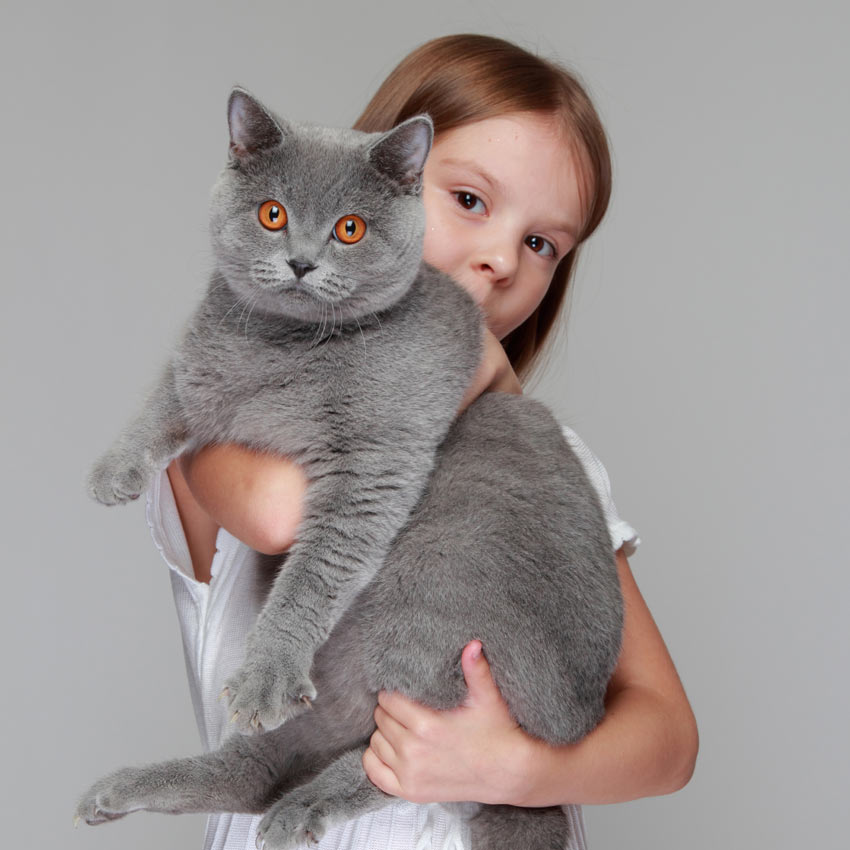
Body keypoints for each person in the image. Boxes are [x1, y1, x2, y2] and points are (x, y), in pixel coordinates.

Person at [149, 33, 698, 850]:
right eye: (471, 201)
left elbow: (668, 739)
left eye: (543, 243)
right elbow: (278, 514)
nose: (501, 259)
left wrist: (516, 772)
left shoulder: (545, 471)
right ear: (378, 190)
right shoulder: (222, 425)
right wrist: (459, 371)